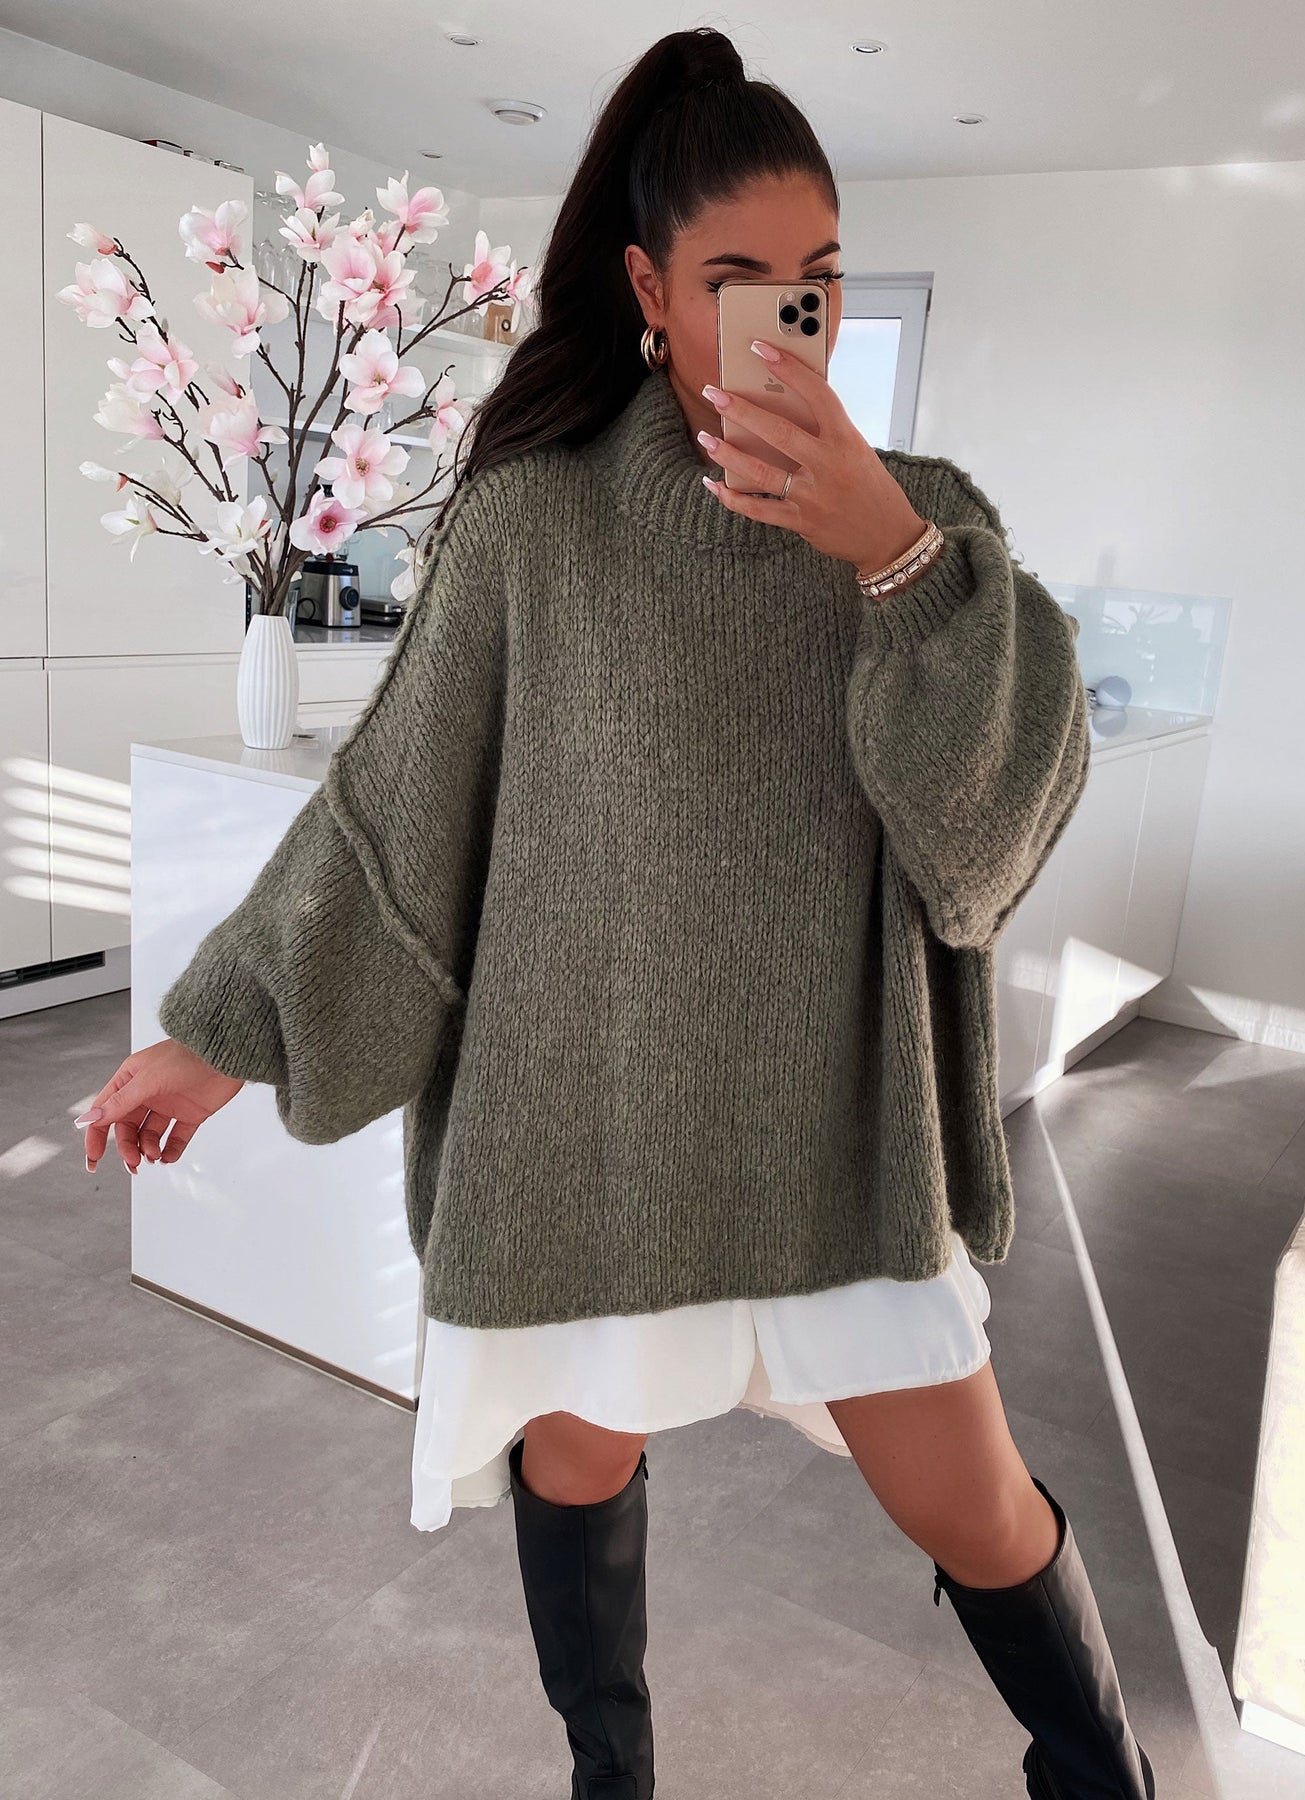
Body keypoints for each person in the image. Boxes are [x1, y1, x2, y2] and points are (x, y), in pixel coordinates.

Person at [77, 26, 1154, 1800]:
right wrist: (224, 1030)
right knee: (572, 1465)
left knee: (974, 1507)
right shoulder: (534, 523)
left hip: (839, 1143)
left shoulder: (929, 527)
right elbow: (398, 810)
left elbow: (986, 844)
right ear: (651, 288)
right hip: (589, 1133)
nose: (789, 321)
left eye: (819, 282)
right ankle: (612, 1779)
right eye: (741, 282)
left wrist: (889, 555)